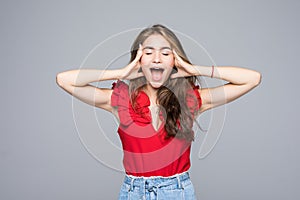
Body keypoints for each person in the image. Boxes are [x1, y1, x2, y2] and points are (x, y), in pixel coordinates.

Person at [56, 24, 261, 200]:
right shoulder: (120, 98)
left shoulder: (190, 100)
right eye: (148, 53)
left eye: (165, 53)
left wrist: (196, 69)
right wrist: (119, 73)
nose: (156, 59)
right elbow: (64, 80)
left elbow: (252, 78)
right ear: (138, 61)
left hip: (178, 191)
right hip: (133, 192)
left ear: (174, 61)